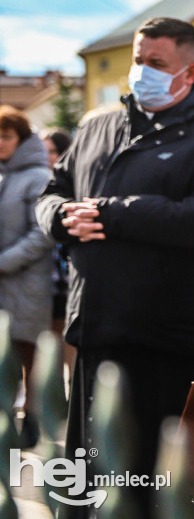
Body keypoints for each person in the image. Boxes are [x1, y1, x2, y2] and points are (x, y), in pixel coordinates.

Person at [35, 17, 194, 518]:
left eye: (157, 64)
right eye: (138, 60)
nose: (142, 72)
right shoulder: (95, 125)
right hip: (98, 330)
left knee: (168, 484)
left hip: (169, 341)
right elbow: (51, 195)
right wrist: (63, 218)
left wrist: (113, 213)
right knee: (94, 481)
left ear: (188, 74)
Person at [0, 107, 53, 448]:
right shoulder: (2, 175)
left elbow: (42, 233)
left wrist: (4, 261)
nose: (0, 142)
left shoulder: (39, 177)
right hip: (3, 286)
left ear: (21, 139)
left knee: (28, 358)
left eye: (6, 136)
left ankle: (32, 422)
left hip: (28, 285)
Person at [39, 128, 74, 378]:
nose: (49, 157)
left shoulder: (72, 179)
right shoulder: (44, 182)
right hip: (46, 275)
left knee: (68, 337)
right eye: (45, 151)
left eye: (53, 151)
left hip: (68, 274)